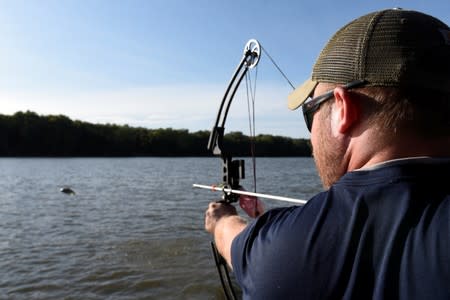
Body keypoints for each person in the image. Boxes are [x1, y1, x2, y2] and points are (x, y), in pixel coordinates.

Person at [204, 8, 450, 299]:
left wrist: (221, 217)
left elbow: (237, 243)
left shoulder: (281, 253)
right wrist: (263, 219)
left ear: (343, 110)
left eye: (310, 113)